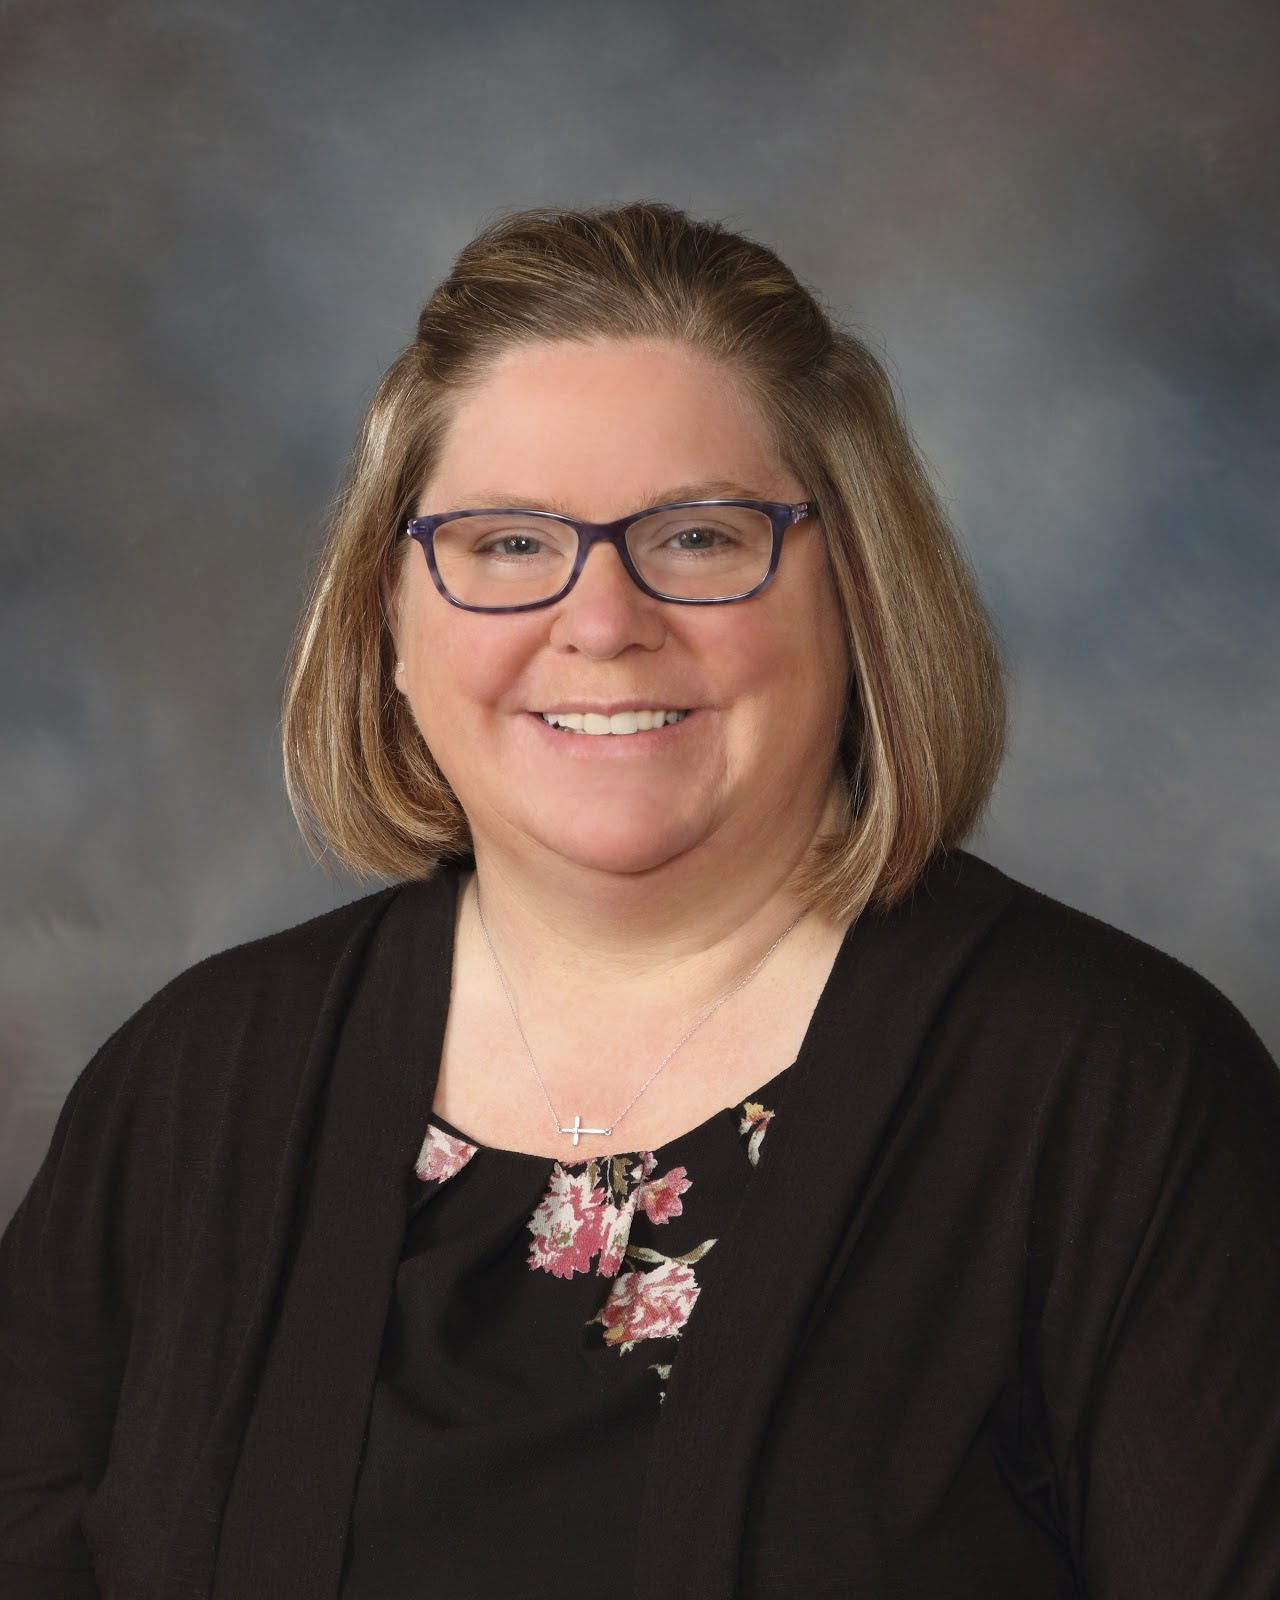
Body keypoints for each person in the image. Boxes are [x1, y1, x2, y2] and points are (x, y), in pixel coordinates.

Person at [1, 202, 1278, 1600]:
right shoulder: (198, 1086)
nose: (602, 622)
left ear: (857, 593)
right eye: (503, 545)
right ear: (390, 621)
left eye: (700, 537)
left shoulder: (1118, 1094)